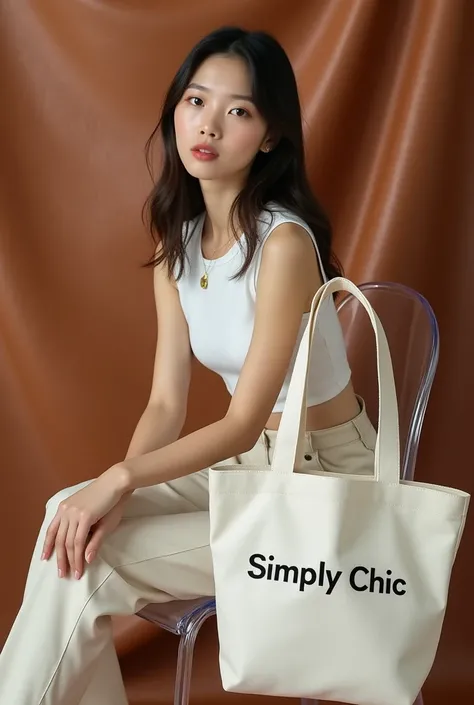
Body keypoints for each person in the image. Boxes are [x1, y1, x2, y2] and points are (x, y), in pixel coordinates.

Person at [0, 26, 376, 705]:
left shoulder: (283, 243)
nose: (209, 123)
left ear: (268, 137)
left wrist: (120, 478)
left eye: (238, 111)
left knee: (91, 564)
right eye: (197, 100)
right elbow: (165, 405)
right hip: (254, 467)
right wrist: (112, 497)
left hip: (325, 482)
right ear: (175, 110)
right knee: (69, 515)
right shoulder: (178, 242)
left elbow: (240, 421)